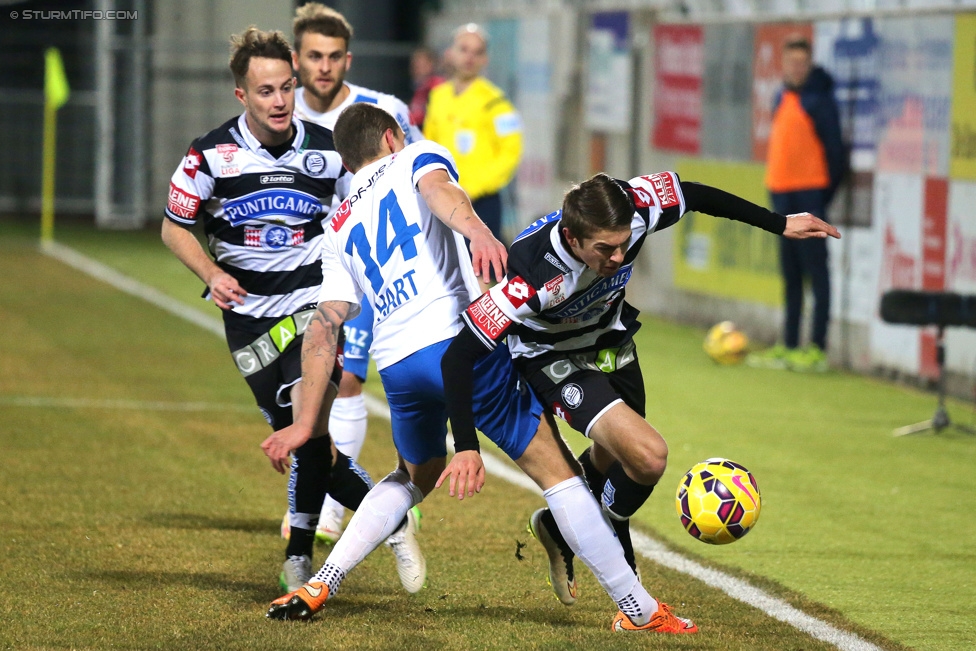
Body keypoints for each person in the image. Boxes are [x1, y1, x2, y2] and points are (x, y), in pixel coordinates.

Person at [262, 104, 699, 635]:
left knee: (413, 474)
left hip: (397, 364)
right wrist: (477, 231)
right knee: (560, 476)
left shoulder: (336, 226)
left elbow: (324, 326)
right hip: (458, 341)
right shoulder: (415, 155)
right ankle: (641, 612)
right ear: (391, 136)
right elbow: (440, 192)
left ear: (346, 160)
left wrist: (307, 423)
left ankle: (322, 581)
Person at [440, 171, 840, 614]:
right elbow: (457, 357)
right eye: (604, 250)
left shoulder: (637, 204)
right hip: (554, 359)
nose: (619, 255)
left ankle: (560, 528)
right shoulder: (530, 276)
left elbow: (694, 192)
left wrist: (778, 223)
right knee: (648, 458)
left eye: (624, 243)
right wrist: (466, 446)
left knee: (619, 462)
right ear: (572, 238)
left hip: (613, 343)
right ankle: (626, 582)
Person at [160, 26, 422, 596]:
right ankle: (345, 533)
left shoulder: (329, 149)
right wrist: (211, 272)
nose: (278, 102)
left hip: (313, 312)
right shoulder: (210, 154)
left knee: (306, 435)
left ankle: (351, 538)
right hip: (249, 319)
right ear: (241, 96)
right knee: (303, 438)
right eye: (264, 92)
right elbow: (173, 225)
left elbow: (371, 201)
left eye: (285, 88)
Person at [284, 2, 424, 545]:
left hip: (363, 267)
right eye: (314, 56)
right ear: (297, 59)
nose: (324, 66)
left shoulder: (382, 110)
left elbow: (411, 171)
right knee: (304, 393)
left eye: (335, 56)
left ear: (348, 59)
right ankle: (322, 491)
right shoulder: (283, 112)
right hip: (297, 273)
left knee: (346, 381)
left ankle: (328, 515)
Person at [749, 36, 845, 373]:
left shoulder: (820, 100)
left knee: (816, 272)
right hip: (782, 193)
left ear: (809, 64)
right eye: (791, 62)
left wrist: (822, 196)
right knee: (790, 272)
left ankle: (816, 348)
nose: (796, 68)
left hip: (809, 194)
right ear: (784, 64)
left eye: (802, 63)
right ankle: (789, 344)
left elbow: (836, 152)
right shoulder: (782, 94)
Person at [423, 23, 521, 250]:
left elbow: (510, 153)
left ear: (485, 59)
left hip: (481, 202)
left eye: (477, 52)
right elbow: (428, 144)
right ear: (450, 53)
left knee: (481, 274)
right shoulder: (438, 96)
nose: (470, 57)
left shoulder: (496, 101)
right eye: (464, 49)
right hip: (442, 197)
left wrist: (474, 188)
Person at [408, 46, 444, 130]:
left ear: (432, 65)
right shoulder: (418, 88)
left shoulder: (437, 87)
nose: (418, 70)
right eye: (415, 66)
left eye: (422, 66)